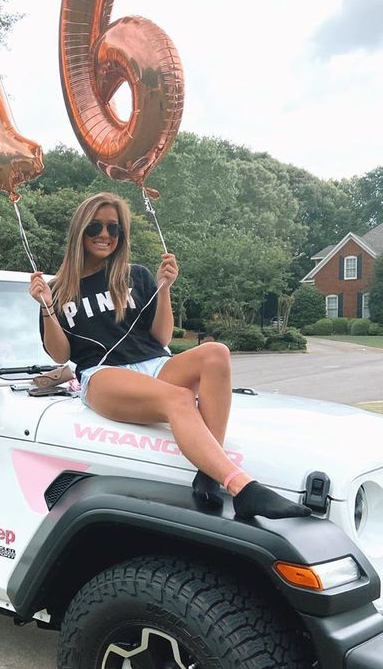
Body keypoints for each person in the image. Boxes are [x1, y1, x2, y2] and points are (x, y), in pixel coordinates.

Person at [30, 192, 310, 520]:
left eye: (113, 228)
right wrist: (48, 307)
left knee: (216, 352)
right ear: (79, 231)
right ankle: (241, 487)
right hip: (104, 374)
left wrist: (164, 289)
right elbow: (61, 353)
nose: (105, 235)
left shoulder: (135, 276)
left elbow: (162, 337)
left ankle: (208, 473)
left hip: (155, 363)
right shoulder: (58, 288)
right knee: (178, 399)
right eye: (95, 227)